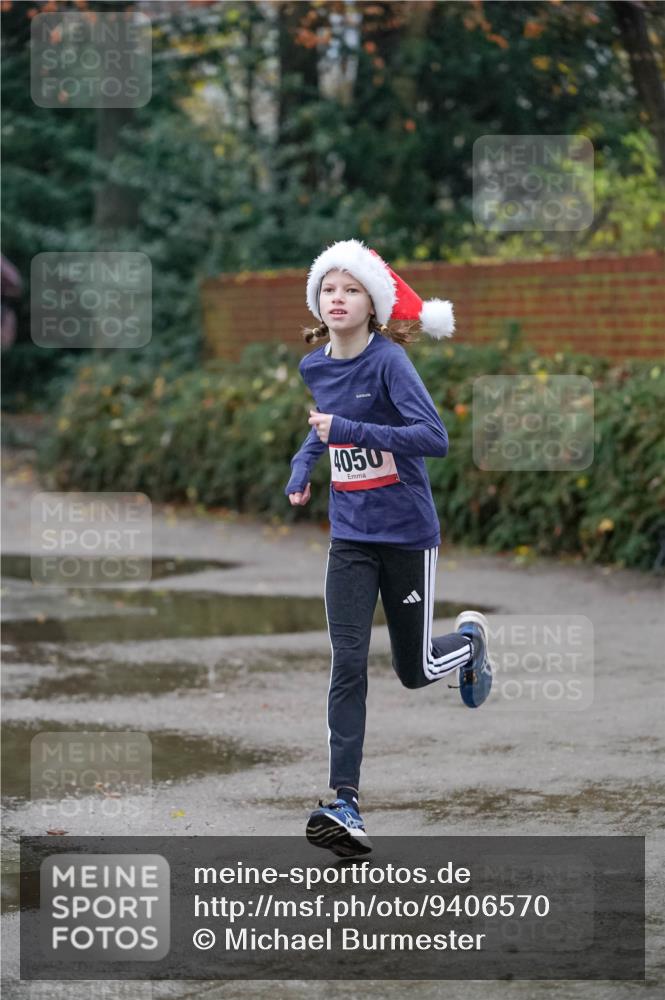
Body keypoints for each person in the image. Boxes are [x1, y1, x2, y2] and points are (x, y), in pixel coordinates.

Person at [284, 239, 492, 859]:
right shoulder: (314, 365)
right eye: (329, 289)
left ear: (373, 305)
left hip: (406, 536)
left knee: (413, 670)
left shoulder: (389, 364)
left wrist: (346, 431)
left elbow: (434, 438)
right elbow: (322, 425)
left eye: (350, 290)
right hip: (350, 538)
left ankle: (471, 644)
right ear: (318, 304)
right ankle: (344, 801)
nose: (338, 298)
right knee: (346, 661)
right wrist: (302, 467)